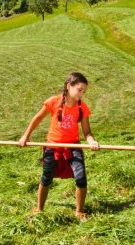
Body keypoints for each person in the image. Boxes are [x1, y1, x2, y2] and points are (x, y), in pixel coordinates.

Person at [18, 72, 99, 219]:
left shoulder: (82, 107)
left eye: (84, 91)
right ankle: (39, 208)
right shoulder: (53, 102)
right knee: (46, 177)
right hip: (52, 146)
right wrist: (26, 135)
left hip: (73, 146)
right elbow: (37, 118)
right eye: (80, 90)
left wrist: (92, 141)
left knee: (81, 177)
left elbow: (87, 132)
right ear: (69, 86)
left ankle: (79, 211)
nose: (82, 93)